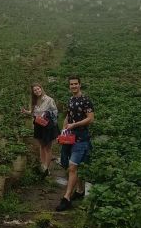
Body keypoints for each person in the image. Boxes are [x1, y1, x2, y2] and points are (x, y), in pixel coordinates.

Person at [55, 75, 94, 212]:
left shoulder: (86, 100)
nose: (73, 86)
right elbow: (68, 116)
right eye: (71, 84)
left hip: (81, 138)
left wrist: (75, 125)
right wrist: (63, 131)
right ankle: (80, 190)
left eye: (76, 84)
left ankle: (66, 198)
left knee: (72, 166)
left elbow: (90, 119)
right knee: (71, 165)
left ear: (80, 85)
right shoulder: (71, 99)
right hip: (70, 136)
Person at [20, 83, 59, 176]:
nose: (37, 91)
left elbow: (55, 112)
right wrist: (26, 112)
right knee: (41, 146)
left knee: (48, 147)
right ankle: (42, 165)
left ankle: (46, 168)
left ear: (41, 88)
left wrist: (47, 115)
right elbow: (34, 113)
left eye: (38, 89)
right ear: (33, 92)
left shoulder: (49, 100)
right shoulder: (34, 101)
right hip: (38, 125)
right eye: (35, 90)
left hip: (48, 126)